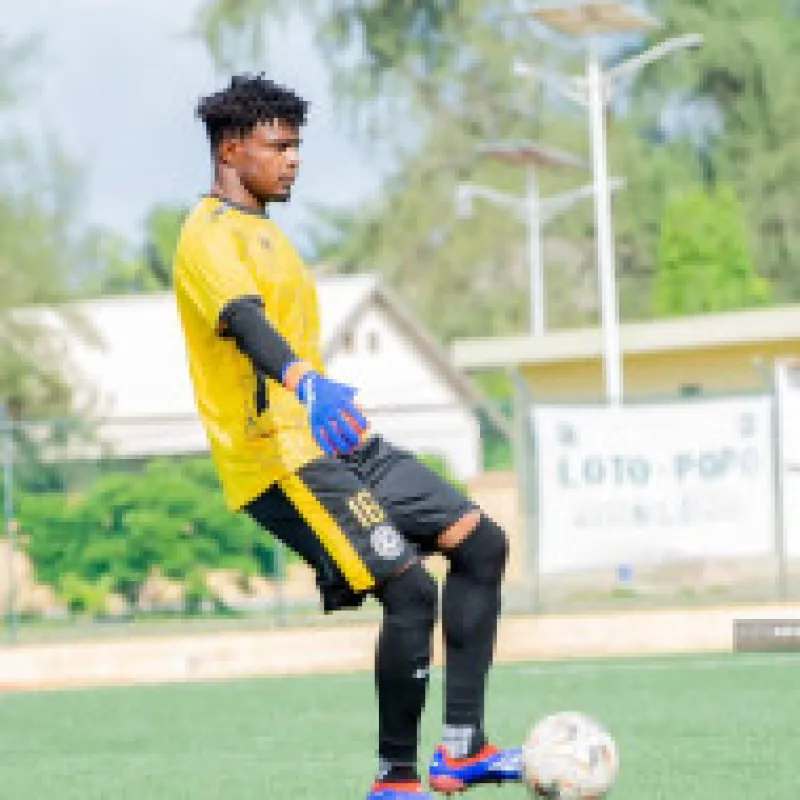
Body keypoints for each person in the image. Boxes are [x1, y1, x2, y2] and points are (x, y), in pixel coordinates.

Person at [173, 74, 524, 800]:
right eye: (279, 145)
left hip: (333, 443)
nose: (294, 159)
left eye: (298, 145)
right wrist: (307, 383)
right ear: (233, 150)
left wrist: (316, 398)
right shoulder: (205, 238)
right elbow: (247, 325)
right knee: (410, 593)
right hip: (278, 458)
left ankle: (462, 749)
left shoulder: (266, 233)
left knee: (481, 543)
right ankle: (395, 781)